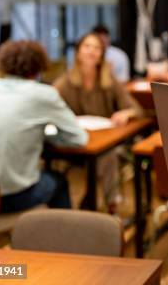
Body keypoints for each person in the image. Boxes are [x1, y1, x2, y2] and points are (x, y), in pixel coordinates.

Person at [0, 40, 87, 213]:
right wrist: (43, 136)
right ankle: (63, 237)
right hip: (14, 198)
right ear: (39, 66)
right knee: (59, 181)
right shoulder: (44, 94)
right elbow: (79, 138)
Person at [54, 32, 143, 211]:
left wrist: (125, 114)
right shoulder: (66, 81)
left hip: (104, 141)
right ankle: (70, 209)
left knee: (108, 155)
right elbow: (50, 103)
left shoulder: (109, 80)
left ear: (102, 54)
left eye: (97, 48)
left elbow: (135, 108)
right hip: (76, 143)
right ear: (78, 52)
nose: (92, 51)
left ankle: (111, 204)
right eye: (87, 46)